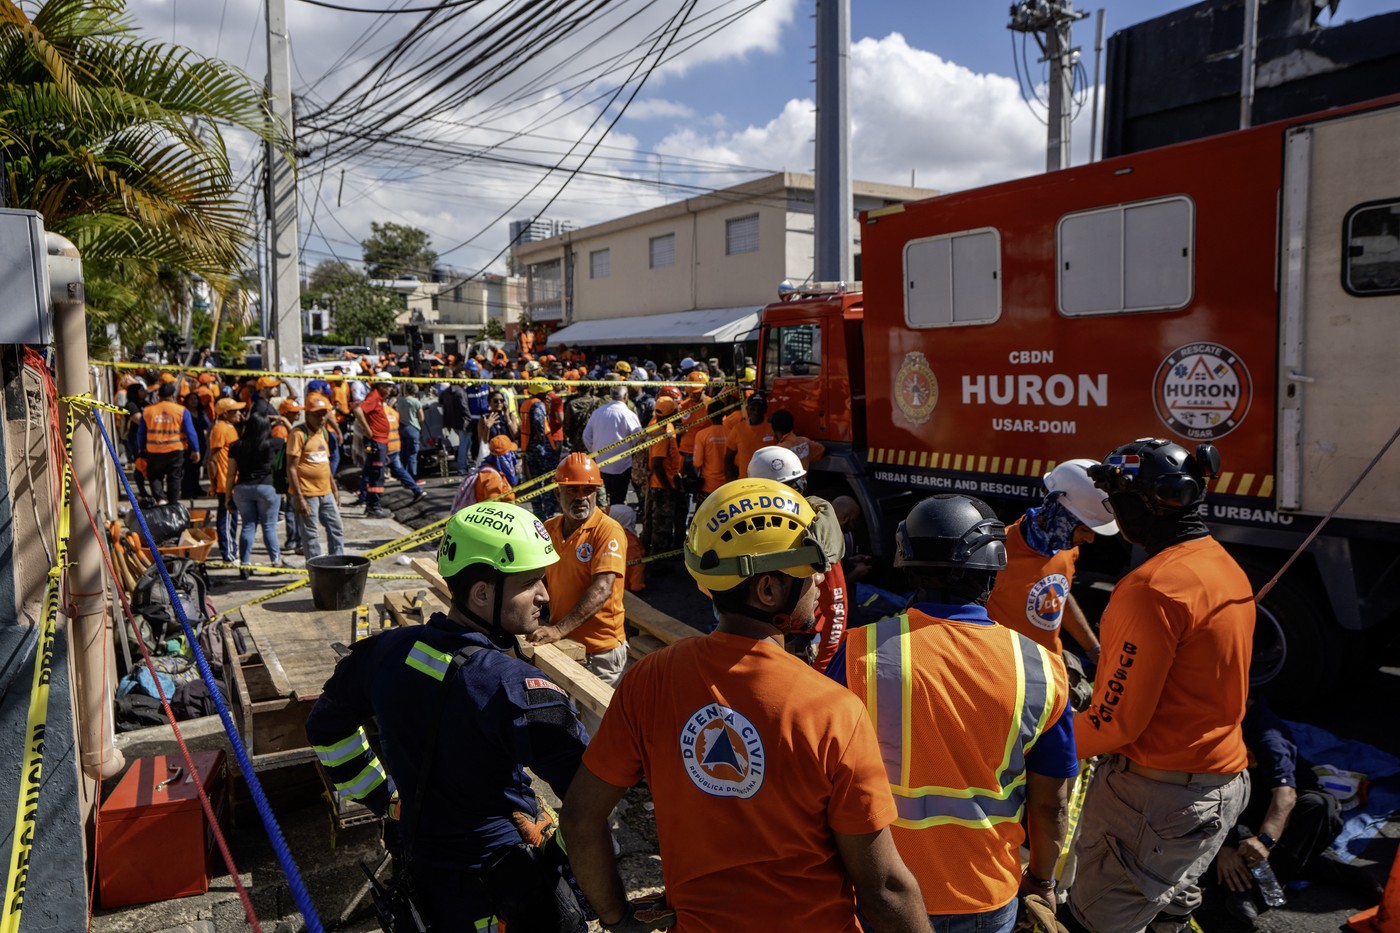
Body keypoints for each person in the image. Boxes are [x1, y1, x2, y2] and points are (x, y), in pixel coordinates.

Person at [562, 479, 929, 933]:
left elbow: (580, 817)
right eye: (809, 571)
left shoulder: (649, 680)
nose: (819, 583)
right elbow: (885, 887)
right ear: (769, 590)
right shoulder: (833, 711)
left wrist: (616, 917)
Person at [305, 502, 590, 933]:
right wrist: (559, 855)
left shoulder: (387, 651)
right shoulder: (512, 687)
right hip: (509, 888)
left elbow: (326, 728)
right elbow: (593, 794)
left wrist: (384, 799)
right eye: (531, 582)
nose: (545, 596)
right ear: (481, 593)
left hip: (424, 877)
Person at [828, 494, 1078, 932]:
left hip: (880, 889)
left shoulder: (856, 652)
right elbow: (1051, 802)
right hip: (985, 894)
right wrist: (1040, 879)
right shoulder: (1041, 668)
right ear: (992, 573)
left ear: (907, 565)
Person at [1067, 438, 1251, 933]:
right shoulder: (1219, 563)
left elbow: (1113, 723)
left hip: (1157, 804)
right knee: (1172, 907)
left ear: (1136, 503)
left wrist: (1035, 745)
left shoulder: (1152, 589)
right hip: (1218, 788)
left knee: (1092, 923)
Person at [1211, 698, 1382, 925]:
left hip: (1284, 814)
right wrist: (1226, 845)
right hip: (1243, 804)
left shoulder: (1267, 736)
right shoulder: (1214, 723)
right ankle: (1321, 869)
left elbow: (1285, 795)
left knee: (1318, 806)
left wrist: (1264, 840)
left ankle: (1252, 889)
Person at [984, 459, 1117, 661]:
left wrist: (1093, 648)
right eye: (1085, 529)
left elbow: (1056, 595)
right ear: (1058, 513)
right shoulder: (996, 554)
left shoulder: (1066, 548)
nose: (1090, 539)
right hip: (1009, 676)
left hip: (1050, 670)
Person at [529, 453, 629, 694]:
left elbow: (602, 588)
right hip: (562, 644)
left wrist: (558, 629)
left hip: (600, 651)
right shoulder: (549, 529)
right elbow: (535, 577)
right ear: (557, 493)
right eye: (573, 490)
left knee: (597, 729)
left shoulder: (607, 532)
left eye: (588, 490)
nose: (581, 497)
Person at [226, 411, 284, 577]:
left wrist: (228, 497)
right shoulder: (275, 443)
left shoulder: (236, 446)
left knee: (248, 526)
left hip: (242, 489)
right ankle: (276, 561)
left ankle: (244, 564)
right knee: (269, 526)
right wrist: (279, 420)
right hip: (267, 488)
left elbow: (231, 474)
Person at [287, 394, 345, 560]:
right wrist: (299, 498)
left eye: (324, 413)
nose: (322, 417)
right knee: (311, 534)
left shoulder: (324, 433)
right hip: (307, 494)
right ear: (307, 414)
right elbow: (291, 467)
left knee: (336, 528)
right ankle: (316, 570)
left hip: (326, 492)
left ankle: (337, 563)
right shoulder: (298, 434)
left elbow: (324, 465)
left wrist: (334, 489)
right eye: (317, 414)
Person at [137, 380, 200, 505]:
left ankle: (160, 499)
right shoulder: (181, 410)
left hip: (154, 451)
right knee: (174, 477)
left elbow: (141, 433)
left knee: (154, 476)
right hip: (176, 450)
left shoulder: (148, 411)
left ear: (158, 396)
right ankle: (173, 503)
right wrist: (195, 449)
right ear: (173, 396)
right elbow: (190, 432)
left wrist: (141, 449)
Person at [582, 383, 641, 508]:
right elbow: (638, 439)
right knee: (618, 499)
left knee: (603, 500)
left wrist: (594, 452)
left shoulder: (598, 412)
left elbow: (586, 436)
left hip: (601, 463)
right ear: (626, 396)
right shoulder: (628, 415)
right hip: (622, 464)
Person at [643, 396, 685, 568]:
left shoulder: (656, 424)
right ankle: (658, 566)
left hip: (658, 484)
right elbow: (658, 465)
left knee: (652, 524)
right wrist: (668, 488)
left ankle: (648, 558)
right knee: (662, 528)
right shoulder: (661, 431)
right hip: (661, 487)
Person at [207, 398, 244, 563]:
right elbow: (212, 459)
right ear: (224, 414)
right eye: (234, 411)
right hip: (224, 482)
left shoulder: (229, 428)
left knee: (232, 519)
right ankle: (228, 554)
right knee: (227, 520)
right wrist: (214, 483)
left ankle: (231, 550)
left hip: (231, 481)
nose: (238, 414)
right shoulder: (220, 429)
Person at [520, 377, 561, 519]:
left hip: (530, 447)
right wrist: (541, 433)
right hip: (541, 448)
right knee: (549, 480)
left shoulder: (526, 403)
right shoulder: (538, 405)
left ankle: (538, 513)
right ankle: (547, 514)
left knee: (535, 481)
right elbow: (539, 422)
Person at [451, 436, 520, 511]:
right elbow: (493, 508)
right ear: (505, 457)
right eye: (510, 453)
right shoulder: (492, 477)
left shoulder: (493, 471)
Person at [723, 391, 775, 481]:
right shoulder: (738, 429)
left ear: (765, 409)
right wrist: (730, 479)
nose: (756, 412)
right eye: (753, 408)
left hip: (770, 481)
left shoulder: (773, 427)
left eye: (760, 408)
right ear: (747, 409)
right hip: (745, 481)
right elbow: (728, 457)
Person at [688, 399, 730, 506]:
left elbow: (697, 463)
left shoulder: (702, 435)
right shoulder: (732, 433)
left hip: (707, 487)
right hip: (727, 486)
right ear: (724, 414)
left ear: (708, 414)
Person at [395, 379, 424, 479]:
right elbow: (421, 417)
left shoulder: (400, 400)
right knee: (412, 454)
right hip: (413, 428)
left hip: (401, 427)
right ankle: (412, 476)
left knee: (403, 454)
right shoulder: (416, 402)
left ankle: (403, 476)